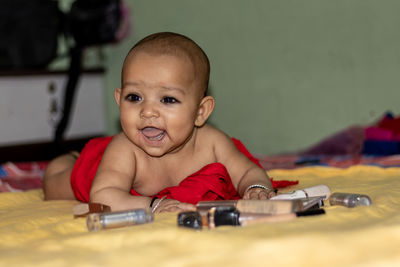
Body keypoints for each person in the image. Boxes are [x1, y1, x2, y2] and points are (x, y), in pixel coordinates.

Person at [43, 32, 275, 213]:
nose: (148, 112)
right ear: (119, 100)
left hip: (116, 165)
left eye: (168, 99)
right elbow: (103, 195)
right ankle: (69, 158)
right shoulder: (126, 149)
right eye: (134, 97)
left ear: (200, 112)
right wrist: (152, 205)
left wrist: (257, 188)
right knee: (55, 185)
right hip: (95, 171)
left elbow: (248, 172)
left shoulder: (213, 143)